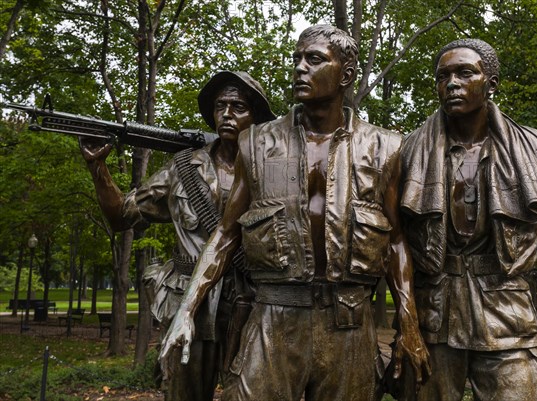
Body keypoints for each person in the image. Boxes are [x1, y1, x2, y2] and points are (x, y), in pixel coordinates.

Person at [159, 24, 430, 401]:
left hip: (348, 322)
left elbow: (397, 241)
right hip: (275, 318)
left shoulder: (385, 148)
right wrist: (186, 309)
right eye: (296, 59)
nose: (299, 68)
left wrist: (409, 322)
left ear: (346, 75)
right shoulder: (256, 143)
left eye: (314, 59)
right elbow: (224, 235)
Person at [398, 38, 537, 401]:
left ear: (491, 84)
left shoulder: (533, 150)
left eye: (465, 73)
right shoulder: (409, 151)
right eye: (443, 76)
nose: (452, 83)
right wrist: (406, 322)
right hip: (436, 316)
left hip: (506, 314)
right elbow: (396, 243)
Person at [79, 71, 275, 401]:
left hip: (250, 302)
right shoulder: (182, 167)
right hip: (189, 303)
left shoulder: (273, 171)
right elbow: (121, 217)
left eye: (238, 107)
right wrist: (98, 168)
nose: (226, 114)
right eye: (220, 106)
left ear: (255, 116)